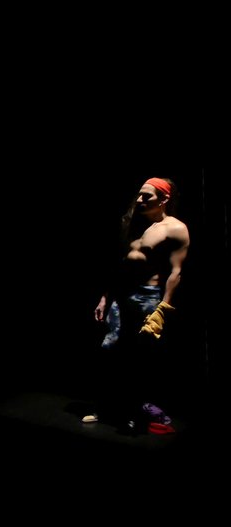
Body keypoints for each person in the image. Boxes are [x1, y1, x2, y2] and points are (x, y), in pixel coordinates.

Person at [86, 177, 190, 432]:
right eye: (140, 195)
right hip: (122, 295)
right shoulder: (134, 224)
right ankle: (109, 406)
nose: (140, 199)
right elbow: (121, 265)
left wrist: (163, 308)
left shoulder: (175, 228)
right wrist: (105, 297)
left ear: (164, 199)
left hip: (147, 296)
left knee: (139, 357)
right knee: (109, 349)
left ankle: (138, 411)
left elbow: (176, 272)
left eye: (147, 196)